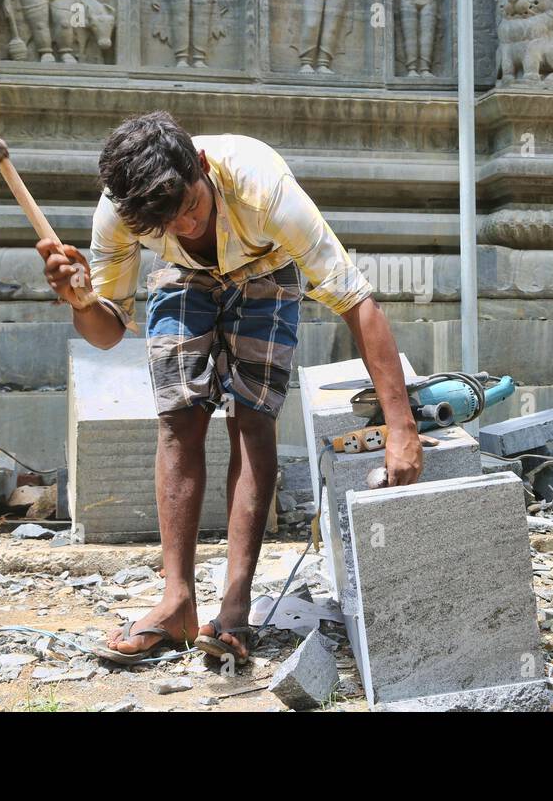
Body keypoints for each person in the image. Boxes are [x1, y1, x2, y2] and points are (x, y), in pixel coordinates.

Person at [37, 111, 421, 664]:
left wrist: (401, 428)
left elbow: (357, 303)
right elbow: (107, 331)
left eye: (190, 208)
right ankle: (177, 602)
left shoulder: (264, 189)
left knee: (253, 417)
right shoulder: (125, 213)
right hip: (179, 277)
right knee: (178, 419)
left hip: (265, 264)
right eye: (165, 224)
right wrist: (78, 302)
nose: (185, 227)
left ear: (201, 167)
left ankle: (235, 607)